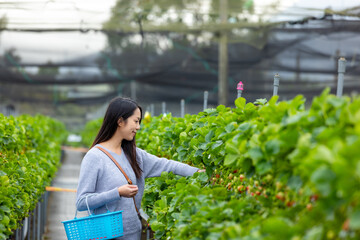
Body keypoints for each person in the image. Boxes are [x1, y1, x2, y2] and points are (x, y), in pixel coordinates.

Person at [76, 97, 201, 240]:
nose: (138, 127)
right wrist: (117, 192)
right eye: (135, 121)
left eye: (139, 122)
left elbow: (168, 165)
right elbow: (81, 202)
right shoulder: (95, 157)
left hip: (132, 234)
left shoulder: (136, 155)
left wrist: (199, 173)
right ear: (120, 121)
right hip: (105, 234)